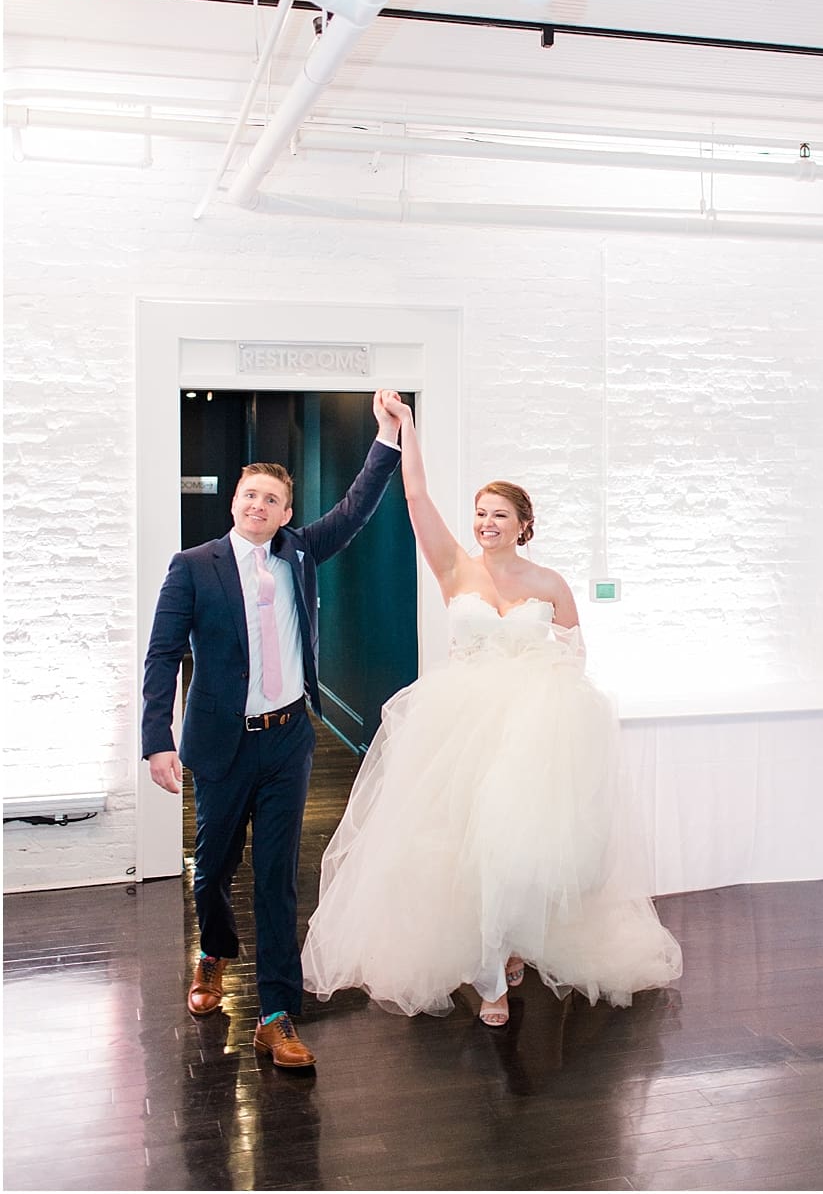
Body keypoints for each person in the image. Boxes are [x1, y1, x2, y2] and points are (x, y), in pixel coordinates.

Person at [301, 393, 681, 1023]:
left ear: (523, 524)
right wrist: (404, 431)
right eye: (480, 513)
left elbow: (573, 657)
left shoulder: (550, 584)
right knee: (463, 849)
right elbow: (417, 499)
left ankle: (507, 942)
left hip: (531, 733)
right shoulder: (455, 567)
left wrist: (552, 707)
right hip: (461, 728)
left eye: (498, 515)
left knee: (516, 848)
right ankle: (487, 972)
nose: (485, 523)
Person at [140, 394, 405, 1071]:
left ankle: (277, 1015)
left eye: (270, 499)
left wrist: (385, 437)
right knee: (215, 869)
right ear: (235, 502)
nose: (257, 505)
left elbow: (355, 508)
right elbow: (164, 655)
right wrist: (156, 738)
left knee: (278, 878)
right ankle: (213, 954)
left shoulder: (301, 553)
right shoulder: (193, 566)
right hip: (221, 743)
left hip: (289, 739)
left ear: (286, 514)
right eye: (248, 494)